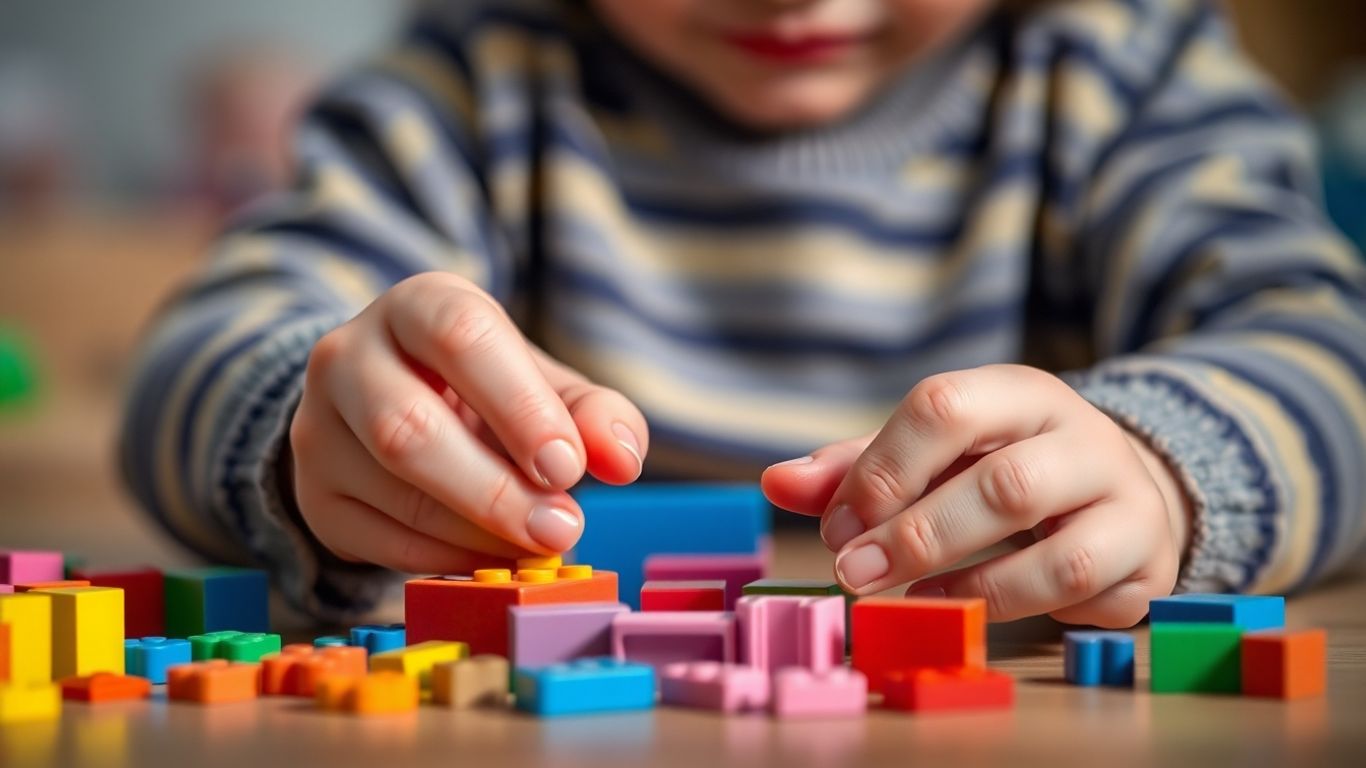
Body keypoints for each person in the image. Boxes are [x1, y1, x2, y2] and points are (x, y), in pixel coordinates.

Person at [121, 0, 1366, 625]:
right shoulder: (472, 85)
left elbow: (1327, 350)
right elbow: (203, 349)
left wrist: (1163, 469)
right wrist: (311, 433)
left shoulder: (1122, 70)